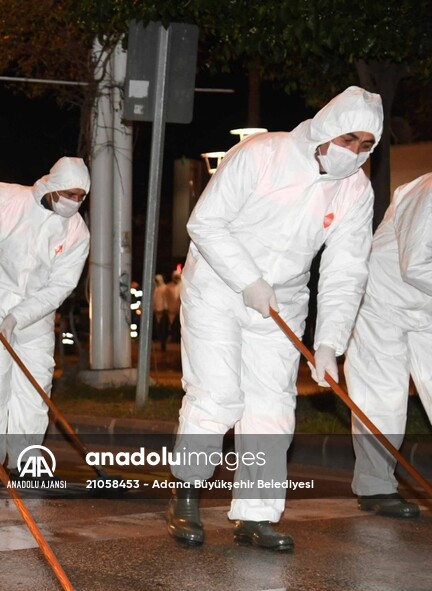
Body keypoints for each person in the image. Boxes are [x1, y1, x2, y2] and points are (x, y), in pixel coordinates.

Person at [168, 86, 383, 551]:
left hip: (282, 300)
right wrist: (247, 278)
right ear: (326, 129)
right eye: (350, 139)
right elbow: (205, 223)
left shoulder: (356, 190)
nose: (356, 153)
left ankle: (256, 515)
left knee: (272, 410)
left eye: (367, 146)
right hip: (219, 287)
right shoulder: (260, 154)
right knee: (218, 396)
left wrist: (329, 343)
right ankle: (185, 493)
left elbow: (347, 268)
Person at [0, 157, 90, 486]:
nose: (74, 202)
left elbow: (60, 286)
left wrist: (19, 316)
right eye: (70, 194)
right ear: (52, 187)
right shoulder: (5, 199)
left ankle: (27, 460)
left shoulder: (77, 231)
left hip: (35, 317)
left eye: (81, 196)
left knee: (35, 389)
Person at [345, 172, 432, 519]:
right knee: (380, 397)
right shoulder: (427, 192)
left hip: (427, 307)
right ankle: (375, 487)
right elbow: (416, 264)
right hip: (383, 303)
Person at [152, 273, 171, 350]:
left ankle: (163, 345)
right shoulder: (155, 288)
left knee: (163, 329)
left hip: (163, 311)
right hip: (155, 311)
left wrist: (165, 309)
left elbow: (166, 299)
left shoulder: (165, 288)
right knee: (158, 329)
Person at [166, 270, 183, 344]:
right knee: (171, 325)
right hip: (170, 309)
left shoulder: (183, 285)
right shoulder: (168, 286)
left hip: (180, 309)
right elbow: (166, 298)